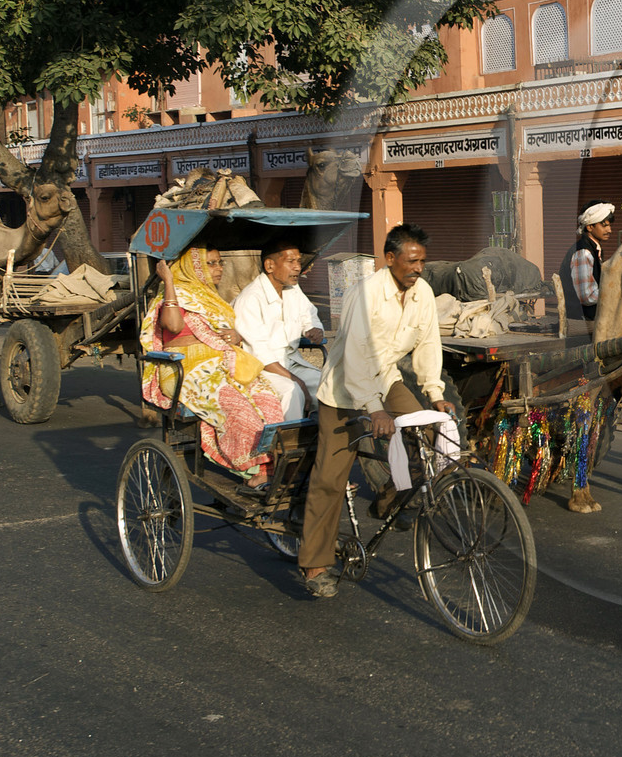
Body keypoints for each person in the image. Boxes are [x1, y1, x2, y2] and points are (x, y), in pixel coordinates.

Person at [297, 223, 456, 599]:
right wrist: (374, 409)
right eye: (411, 261)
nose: (418, 268)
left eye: (422, 261)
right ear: (390, 259)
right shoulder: (365, 294)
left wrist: (435, 393)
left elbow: (429, 344)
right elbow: (355, 355)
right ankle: (315, 563)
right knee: (330, 479)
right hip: (343, 392)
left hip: (385, 380)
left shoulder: (423, 293)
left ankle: (389, 500)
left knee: (426, 436)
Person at [140, 247, 285, 491]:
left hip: (222, 363)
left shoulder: (211, 298)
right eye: (211, 263)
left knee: (269, 399)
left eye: (219, 262)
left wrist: (235, 335)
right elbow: (173, 326)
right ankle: (254, 467)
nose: (219, 268)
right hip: (185, 368)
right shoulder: (176, 295)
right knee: (239, 409)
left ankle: (268, 467)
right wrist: (170, 281)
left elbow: (231, 333)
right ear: (192, 268)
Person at [233, 239, 325, 422]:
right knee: (292, 391)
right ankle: (288, 444)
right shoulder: (250, 299)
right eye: (291, 262)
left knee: (327, 385)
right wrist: (296, 380)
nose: (298, 267)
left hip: (291, 362)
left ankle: (321, 440)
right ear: (270, 266)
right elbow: (260, 355)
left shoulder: (293, 290)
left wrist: (313, 329)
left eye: (299, 261)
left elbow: (309, 314)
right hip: (262, 369)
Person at [557, 201, 614, 321]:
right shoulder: (583, 253)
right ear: (589, 227)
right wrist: (616, 293)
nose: (609, 230)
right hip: (583, 317)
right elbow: (587, 297)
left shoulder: (594, 249)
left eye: (609, 225)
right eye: (604, 226)